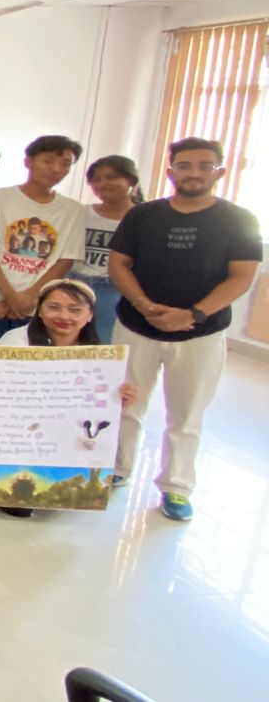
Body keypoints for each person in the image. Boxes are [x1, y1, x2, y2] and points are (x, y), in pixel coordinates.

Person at [109, 137, 261, 522]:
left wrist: (192, 314)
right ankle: (117, 468)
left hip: (200, 334)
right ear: (170, 170)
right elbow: (119, 264)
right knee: (125, 404)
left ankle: (176, 486)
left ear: (219, 172)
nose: (194, 173)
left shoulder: (239, 219)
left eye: (204, 166)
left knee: (187, 414)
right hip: (136, 326)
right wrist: (144, 305)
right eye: (185, 165)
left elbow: (241, 277)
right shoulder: (143, 215)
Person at [0, 278, 140, 517]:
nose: (64, 316)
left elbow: (96, 412)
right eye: (54, 307)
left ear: (89, 315)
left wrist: (118, 401)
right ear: (39, 310)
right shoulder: (16, 341)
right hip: (17, 428)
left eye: (75, 310)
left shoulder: (101, 357)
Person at [0, 135, 86, 343]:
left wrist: (30, 296)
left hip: (37, 306)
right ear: (28, 161)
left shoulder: (73, 210)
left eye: (65, 164)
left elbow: (66, 260)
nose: (56, 169)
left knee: (29, 362)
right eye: (48, 161)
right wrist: (11, 296)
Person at [74, 154, 141, 341]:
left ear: (131, 180)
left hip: (116, 289)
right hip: (75, 283)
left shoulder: (144, 217)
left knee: (104, 344)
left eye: (112, 177)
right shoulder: (81, 212)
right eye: (97, 179)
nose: (103, 184)